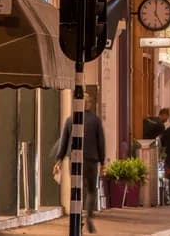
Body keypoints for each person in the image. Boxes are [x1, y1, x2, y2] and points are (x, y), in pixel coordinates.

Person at [54, 93, 105, 234]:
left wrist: (59, 159)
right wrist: (102, 162)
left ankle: (78, 217)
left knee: (77, 188)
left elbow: (64, 142)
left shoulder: (71, 120)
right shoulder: (96, 121)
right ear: (89, 104)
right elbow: (101, 143)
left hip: (75, 160)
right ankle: (89, 216)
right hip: (92, 160)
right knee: (91, 190)